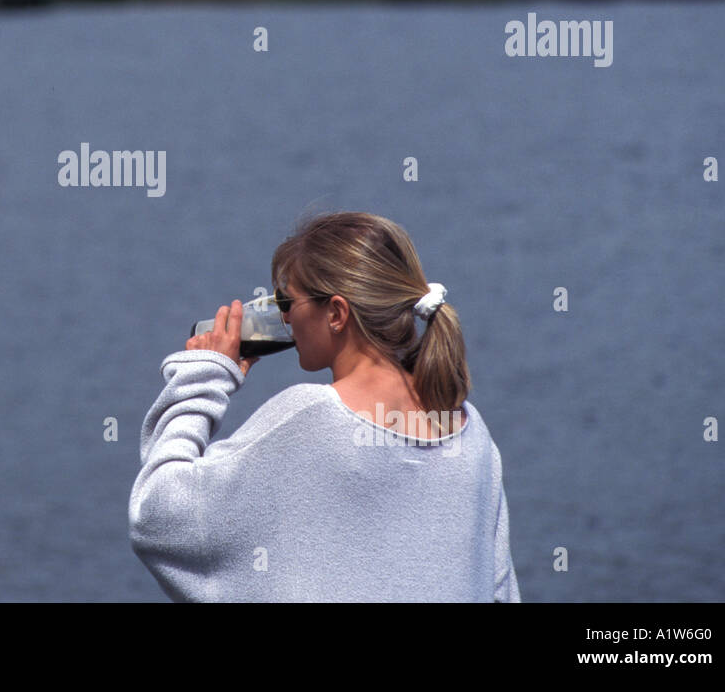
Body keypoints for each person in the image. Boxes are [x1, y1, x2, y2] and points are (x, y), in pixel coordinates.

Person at [128, 211, 521, 602]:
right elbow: (500, 589)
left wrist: (204, 378)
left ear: (335, 313)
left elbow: (159, 514)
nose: (283, 316)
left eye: (287, 300)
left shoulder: (310, 419)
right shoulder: (472, 433)